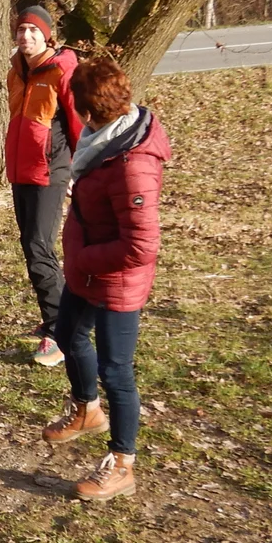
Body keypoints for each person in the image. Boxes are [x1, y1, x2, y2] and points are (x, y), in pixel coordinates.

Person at [41, 56, 171, 501]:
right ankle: (86, 409)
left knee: (117, 371)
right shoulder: (103, 139)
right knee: (68, 333)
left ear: (88, 109)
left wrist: (86, 260)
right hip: (88, 268)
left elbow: (142, 246)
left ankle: (122, 464)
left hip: (116, 278)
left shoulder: (132, 163)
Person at [5, 3, 83, 369]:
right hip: (21, 172)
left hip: (51, 171)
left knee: (39, 249)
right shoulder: (17, 72)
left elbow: (80, 125)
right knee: (32, 247)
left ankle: (60, 331)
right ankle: (60, 317)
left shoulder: (62, 70)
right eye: (21, 30)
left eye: (34, 30)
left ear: (47, 34)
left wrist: (79, 172)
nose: (26, 36)